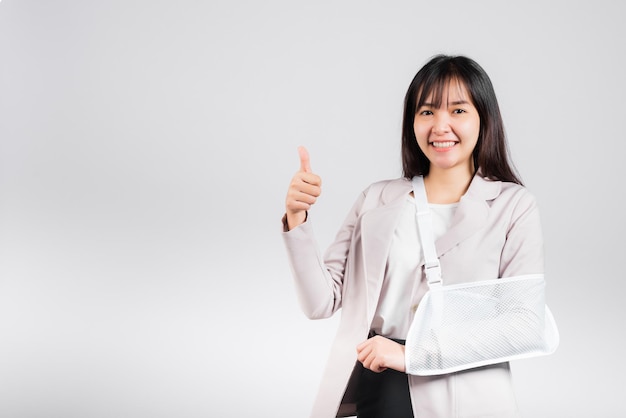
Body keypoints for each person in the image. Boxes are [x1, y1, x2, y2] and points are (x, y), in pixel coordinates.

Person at [281, 54, 545, 418]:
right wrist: (298, 219)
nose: (440, 125)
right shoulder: (377, 199)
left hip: (465, 390)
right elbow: (320, 302)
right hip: (381, 383)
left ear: (484, 119)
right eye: (427, 112)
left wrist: (413, 354)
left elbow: (524, 326)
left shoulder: (512, 205)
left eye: (457, 110)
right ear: (412, 123)